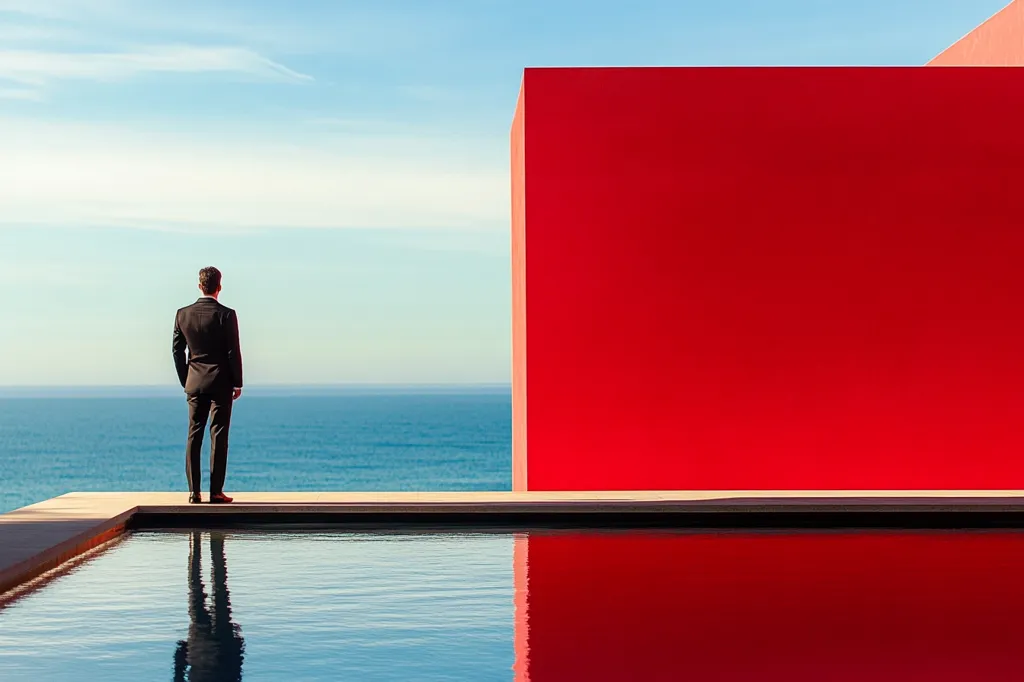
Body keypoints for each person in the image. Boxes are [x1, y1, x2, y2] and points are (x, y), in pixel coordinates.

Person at [172, 266, 243, 504]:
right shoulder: (226, 315)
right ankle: (215, 492)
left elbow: (176, 350)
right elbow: (233, 351)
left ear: (199, 285)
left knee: (194, 436)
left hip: (194, 382)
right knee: (219, 436)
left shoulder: (182, 314)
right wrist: (237, 382)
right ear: (219, 287)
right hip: (221, 382)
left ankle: (194, 493)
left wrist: (186, 379)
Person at [173, 531, 245, 682]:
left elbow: (236, 668)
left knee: (212, 590)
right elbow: (235, 668)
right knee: (205, 589)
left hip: (202, 648)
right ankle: (206, 542)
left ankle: (203, 541)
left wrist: (238, 645)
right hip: (205, 648)